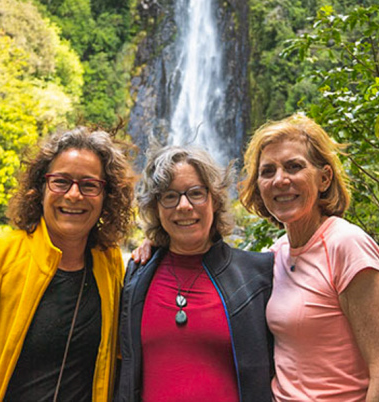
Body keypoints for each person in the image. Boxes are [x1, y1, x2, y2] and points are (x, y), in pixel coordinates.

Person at [0, 127, 135, 402]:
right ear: (41, 188)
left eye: (89, 185)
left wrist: (158, 247)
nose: (74, 195)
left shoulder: (110, 263)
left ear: (107, 197)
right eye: (61, 181)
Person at [239, 113, 379, 402]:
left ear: (324, 178)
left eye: (294, 167)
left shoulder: (347, 245)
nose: (280, 180)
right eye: (268, 171)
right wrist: (159, 248)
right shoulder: (275, 255)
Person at [116, 146, 274, 402]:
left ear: (215, 200)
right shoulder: (136, 275)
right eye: (170, 196)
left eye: (196, 193)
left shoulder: (258, 275)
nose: (184, 206)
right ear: (156, 207)